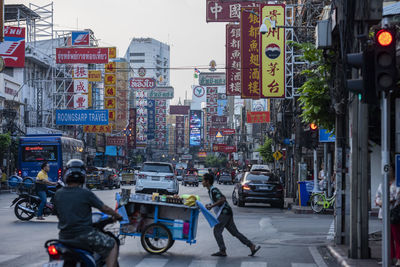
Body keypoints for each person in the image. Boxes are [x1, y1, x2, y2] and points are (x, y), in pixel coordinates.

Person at [54, 159, 122, 267]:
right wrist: (117, 215)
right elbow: (104, 208)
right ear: (83, 175)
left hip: (64, 237)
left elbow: (58, 214)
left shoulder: (58, 194)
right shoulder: (85, 193)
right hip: (85, 236)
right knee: (112, 245)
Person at [202, 173, 260, 257]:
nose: (202, 182)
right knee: (235, 232)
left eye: (203, 180)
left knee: (217, 231)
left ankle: (222, 250)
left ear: (207, 181)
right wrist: (210, 204)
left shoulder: (214, 190)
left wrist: (211, 206)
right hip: (227, 212)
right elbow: (219, 200)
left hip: (224, 213)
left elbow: (222, 199)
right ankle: (251, 246)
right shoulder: (211, 190)